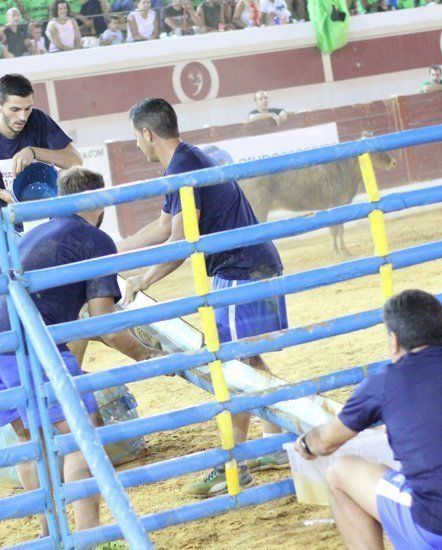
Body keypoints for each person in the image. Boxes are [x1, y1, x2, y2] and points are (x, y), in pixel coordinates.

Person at [0, 165, 165, 537]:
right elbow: (102, 322)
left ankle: (49, 536)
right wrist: (146, 355)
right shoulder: (93, 239)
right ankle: (89, 535)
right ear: (100, 200)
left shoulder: (42, 230)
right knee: (83, 430)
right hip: (24, 336)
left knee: (32, 438)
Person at [119, 98, 289, 498]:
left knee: (230, 367)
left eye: (136, 138)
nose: (137, 146)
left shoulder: (182, 168)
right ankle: (277, 443)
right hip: (256, 265)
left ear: (147, 134)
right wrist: (117, 248)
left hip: (238, 271)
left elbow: (180, 243)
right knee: (246, 358)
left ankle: (234, 461)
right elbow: (164, 227)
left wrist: (144, 279)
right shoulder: (189, 159)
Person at [295, 289, 442, 550]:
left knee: (339, 473)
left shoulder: (385, 381)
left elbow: (325, 443)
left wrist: (305, 444)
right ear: (441, 332)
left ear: (394, 341)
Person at [0, 73, 83, 256]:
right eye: (15, 109)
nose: (23, 116)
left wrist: (33, 151)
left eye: (28, 108)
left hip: (51, 228)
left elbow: (76, 160)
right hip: (10, 237)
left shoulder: (38, 120)